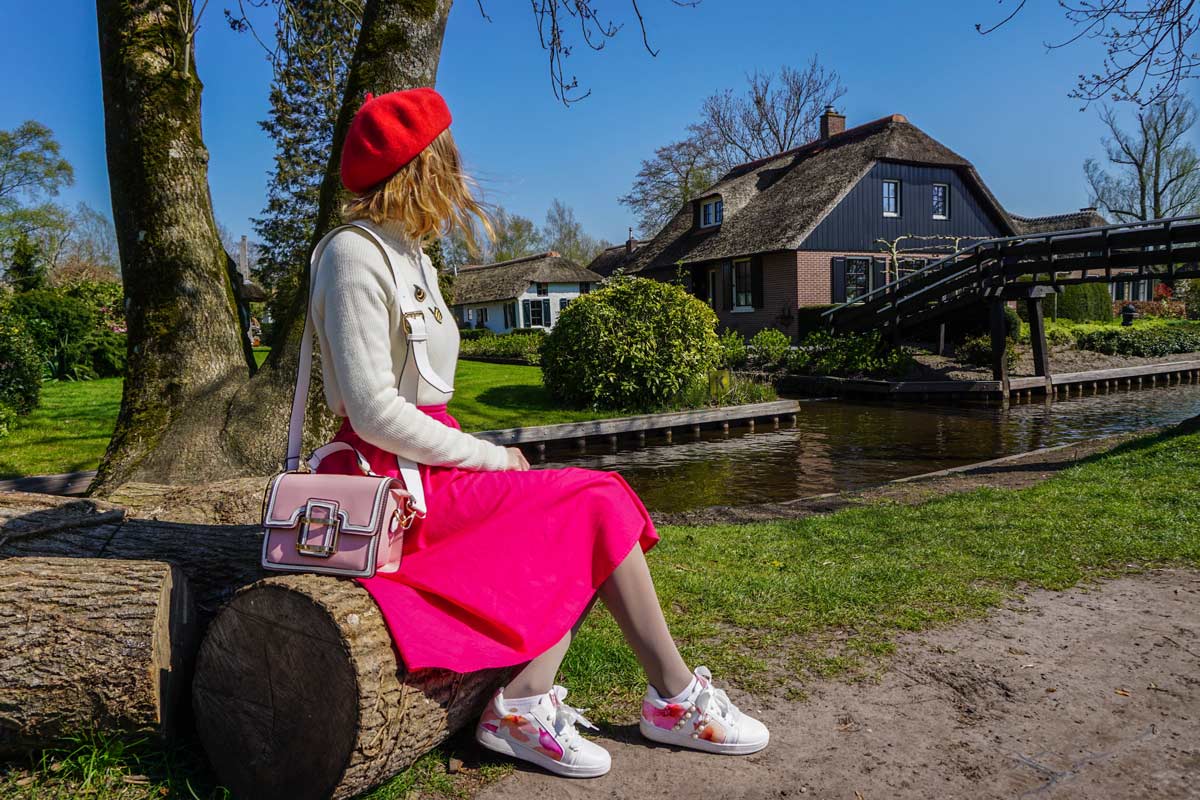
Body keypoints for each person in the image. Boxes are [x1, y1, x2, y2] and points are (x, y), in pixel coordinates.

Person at [311, 87, 769, 779]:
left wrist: (481, 458)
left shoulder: (411, 254)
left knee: (593, 500)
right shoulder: (352, 254)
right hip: (396, 489)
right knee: (592, 501)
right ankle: (634, 703)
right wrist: (491, 457)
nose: (463, 176)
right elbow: (373, 409)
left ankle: (572, 702)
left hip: (431, 466)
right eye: (450, 157)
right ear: (426, 163)